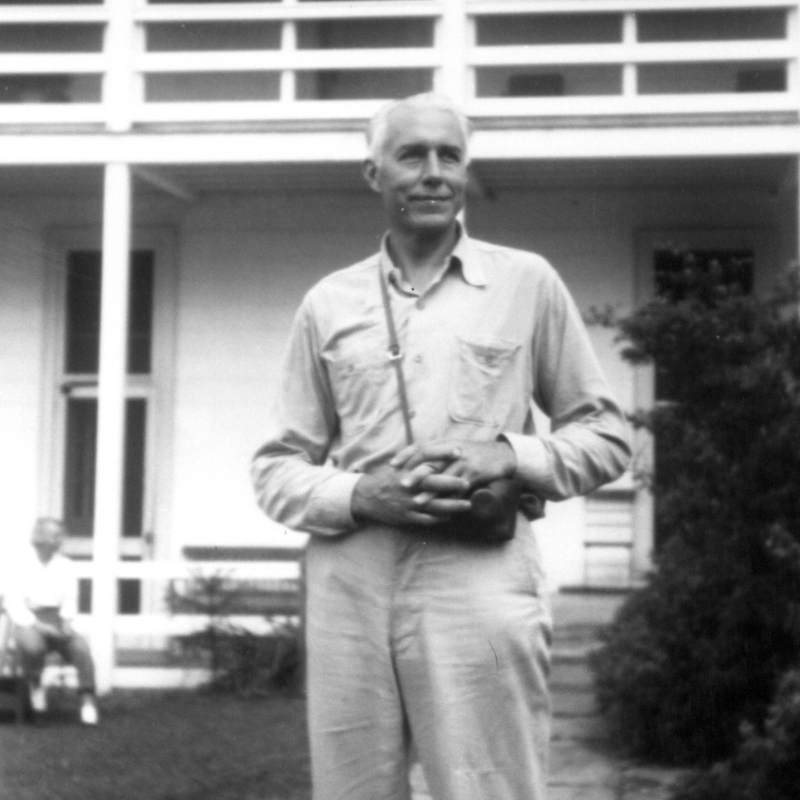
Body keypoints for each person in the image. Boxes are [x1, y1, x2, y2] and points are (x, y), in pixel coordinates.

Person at [251, 92, 631, 800]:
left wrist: (510, 455)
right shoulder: (328, 303)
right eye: (411, 155)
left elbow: (607, 436)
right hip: (350, 581)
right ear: (374, 174)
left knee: (490, 787)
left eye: (448, 156)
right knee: (353, 789)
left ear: (466, 173)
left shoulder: (526, 283)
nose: (432, 173)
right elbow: (275, 469)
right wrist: (362, 493)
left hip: (478, 578)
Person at [3, 517, 99, 725]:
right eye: (54, 535)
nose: (59, 540)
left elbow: (71, 600)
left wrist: (65, 623)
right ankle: (36, 687)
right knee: (34, 647)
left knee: (81, 648)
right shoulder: (20, 565)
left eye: (60, 536)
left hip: (58, 618)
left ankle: (87, 702)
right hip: (29, 620)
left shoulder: (66, 566)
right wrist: (40, 626)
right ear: (41, 537)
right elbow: (14, 605)